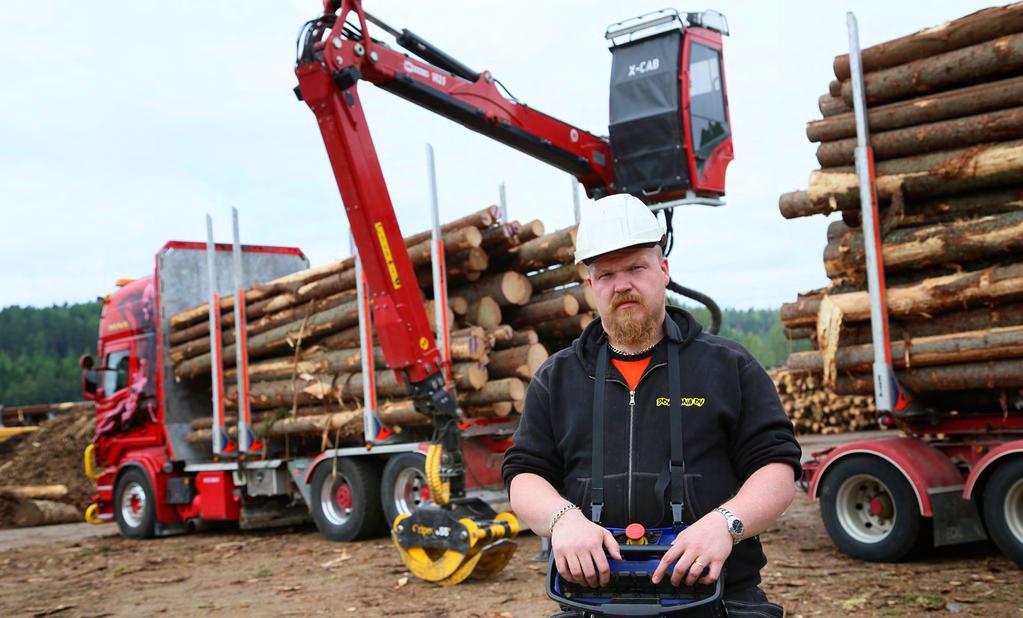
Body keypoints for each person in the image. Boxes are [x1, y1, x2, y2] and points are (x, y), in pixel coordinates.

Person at [502, 194, 801, 617]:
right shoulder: (558, 378)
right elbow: (524, 474)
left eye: (636, 268)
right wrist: (562, 519)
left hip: (717, 596)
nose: (622, 284)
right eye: (606, 274)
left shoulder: (728, 366)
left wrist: (725, 524)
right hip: (591, 600)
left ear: (663, 271)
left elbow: (778, 468)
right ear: (591, 287)